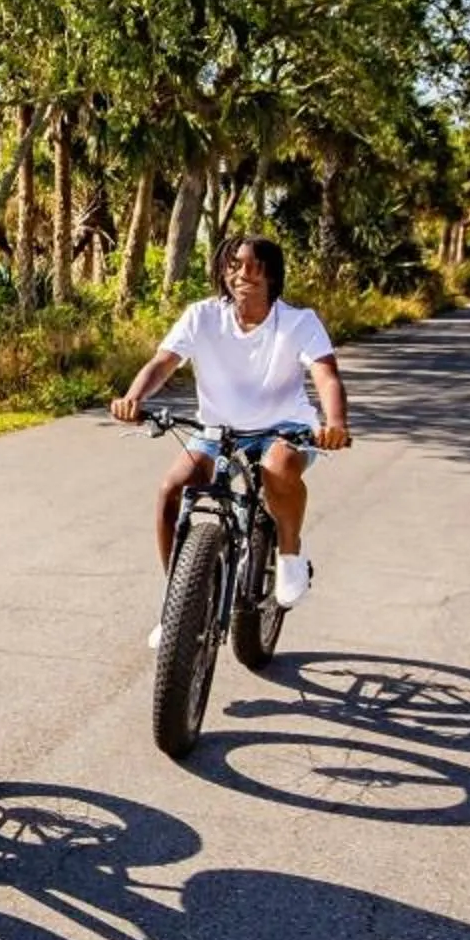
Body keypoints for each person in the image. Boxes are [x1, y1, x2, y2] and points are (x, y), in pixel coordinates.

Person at [107, 236, 351, 646]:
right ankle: (179, 605)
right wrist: (135, 397)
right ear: (223, 272)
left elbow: (326, 375)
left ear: (272, 274)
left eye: (255, 266)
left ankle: (289, 554)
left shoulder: (299, 322)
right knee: (172, 490)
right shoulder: (202, 316)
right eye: (234, 265)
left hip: (285, 427)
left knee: (278, 468)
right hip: (217, 430)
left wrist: (336, 422)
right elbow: (162, 362)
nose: (243, 273)